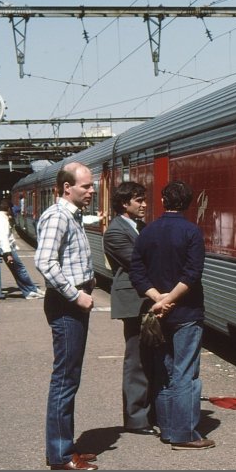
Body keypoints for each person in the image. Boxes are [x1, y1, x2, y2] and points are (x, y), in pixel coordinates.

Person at [129, 181, 215, 451]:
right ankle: (184, 434)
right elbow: (192, 274)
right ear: (189, 203)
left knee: (164, 371)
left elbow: (136, 271)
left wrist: (157, 299)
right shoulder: (192, 232)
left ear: (164, 200)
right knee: (185, 373)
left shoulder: (148, 231)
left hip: (158, 314)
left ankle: (167, 429)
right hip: (187, 312)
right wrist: (171, 299)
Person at [34, 162, 99, 470]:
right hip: (66, 306)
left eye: (91, 185)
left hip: (72, 302)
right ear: (66, 188)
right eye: (86, 186)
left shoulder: (71, 215)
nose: (92, 190)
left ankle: (65, 446)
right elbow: (45, 262)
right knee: (65, 379)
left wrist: (89, 281)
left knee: (69, 377)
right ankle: (60, 455)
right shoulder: (58, 216)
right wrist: (76, 294)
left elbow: (67, 258)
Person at [103, 181, 158, 436]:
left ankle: (149, 412)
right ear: (125, 204)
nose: (144, 204)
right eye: (139, 200)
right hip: (134, 301)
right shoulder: (115, 232)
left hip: (145, 299)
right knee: (136, 360)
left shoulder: (139, 227)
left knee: (149, 357)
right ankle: (136, 419)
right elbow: (138, 261)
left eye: (144, 199)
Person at [0, 198, 44, 299]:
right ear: (9, 209)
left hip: (1, 248)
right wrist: (7, 254)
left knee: (17, 271)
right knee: (20, 270)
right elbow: (3, 238)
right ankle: (31, 290)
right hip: (4, 248)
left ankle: (29, 291)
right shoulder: (2, 220)